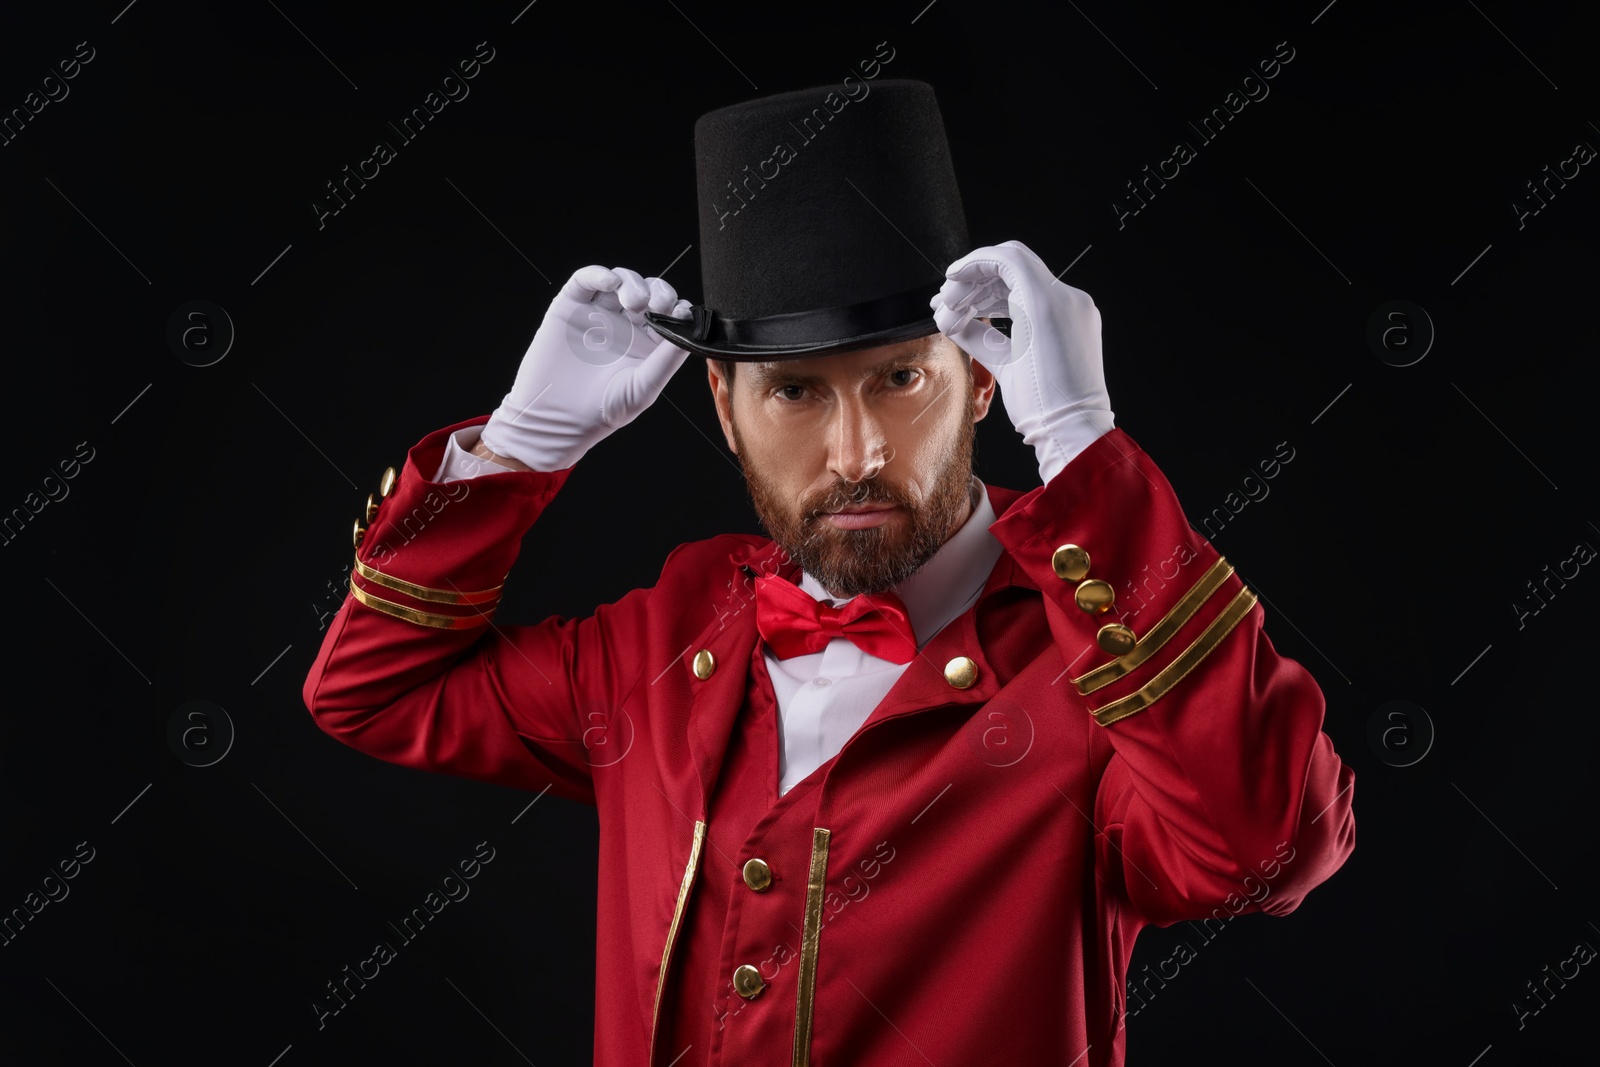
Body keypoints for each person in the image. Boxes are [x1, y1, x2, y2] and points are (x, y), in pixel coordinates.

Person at [303, 79, 1355, 1066]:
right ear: (724, 407)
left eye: (900, 377)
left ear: (981, 377)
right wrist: (521, 448)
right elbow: (373, 690)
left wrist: (1085, 446)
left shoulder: (1095, 668)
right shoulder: (664, 644)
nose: (856, 451)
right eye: (796, 393)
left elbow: (1267, 846)